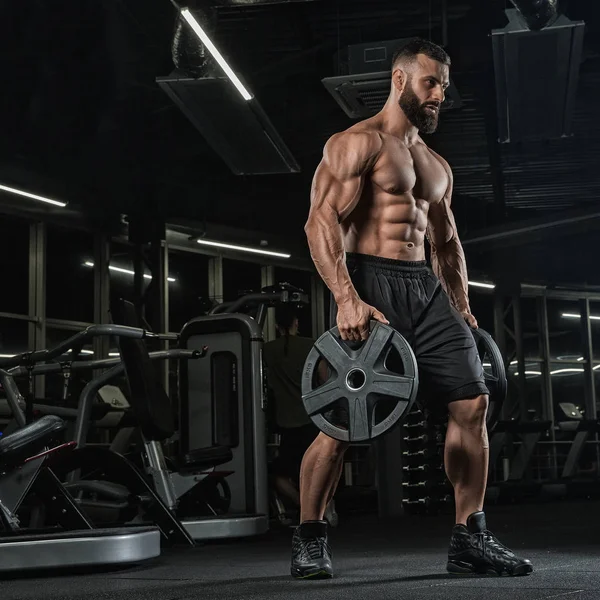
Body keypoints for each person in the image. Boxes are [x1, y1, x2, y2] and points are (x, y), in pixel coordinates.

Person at [291, 38, 533, 579]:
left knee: (473, 402)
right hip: (369, 284)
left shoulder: (435, 163)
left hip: (425, 290)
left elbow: (446, 242)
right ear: (399, 80)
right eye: (431, 83)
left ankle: (470, 536)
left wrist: (462, 306)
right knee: (341, 422)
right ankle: (309, 536)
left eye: (444, 85)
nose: (440, 94)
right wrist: (346, 297)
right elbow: (320, 220)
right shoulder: (357, 144)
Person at [263, 305, 338, 525]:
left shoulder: (267, 350)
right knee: (320, 467)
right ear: (296, 323)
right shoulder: (310, 346)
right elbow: (326, 380)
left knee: (280, 474)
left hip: (285, 423)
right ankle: (320, 510)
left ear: (276, 326)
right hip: (311, 419)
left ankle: (308, 508)